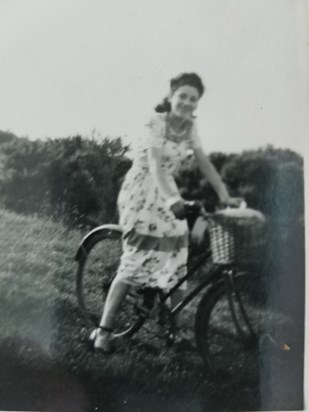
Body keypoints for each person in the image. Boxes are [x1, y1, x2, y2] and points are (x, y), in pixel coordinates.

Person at [91, 72, 242, 352]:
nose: (186, 102)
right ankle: (103, 330)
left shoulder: (190, 126)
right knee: (135, 261)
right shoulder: (155, 121)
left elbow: (204, 162)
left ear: (197, 103)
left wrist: (225, 195)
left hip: (168, 192)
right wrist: (172, 198)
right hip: (144, 190)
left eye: (192, 98)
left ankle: (173, 330)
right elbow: (155, 164)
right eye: (182, 95)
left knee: (177, 258)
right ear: (171, 96)